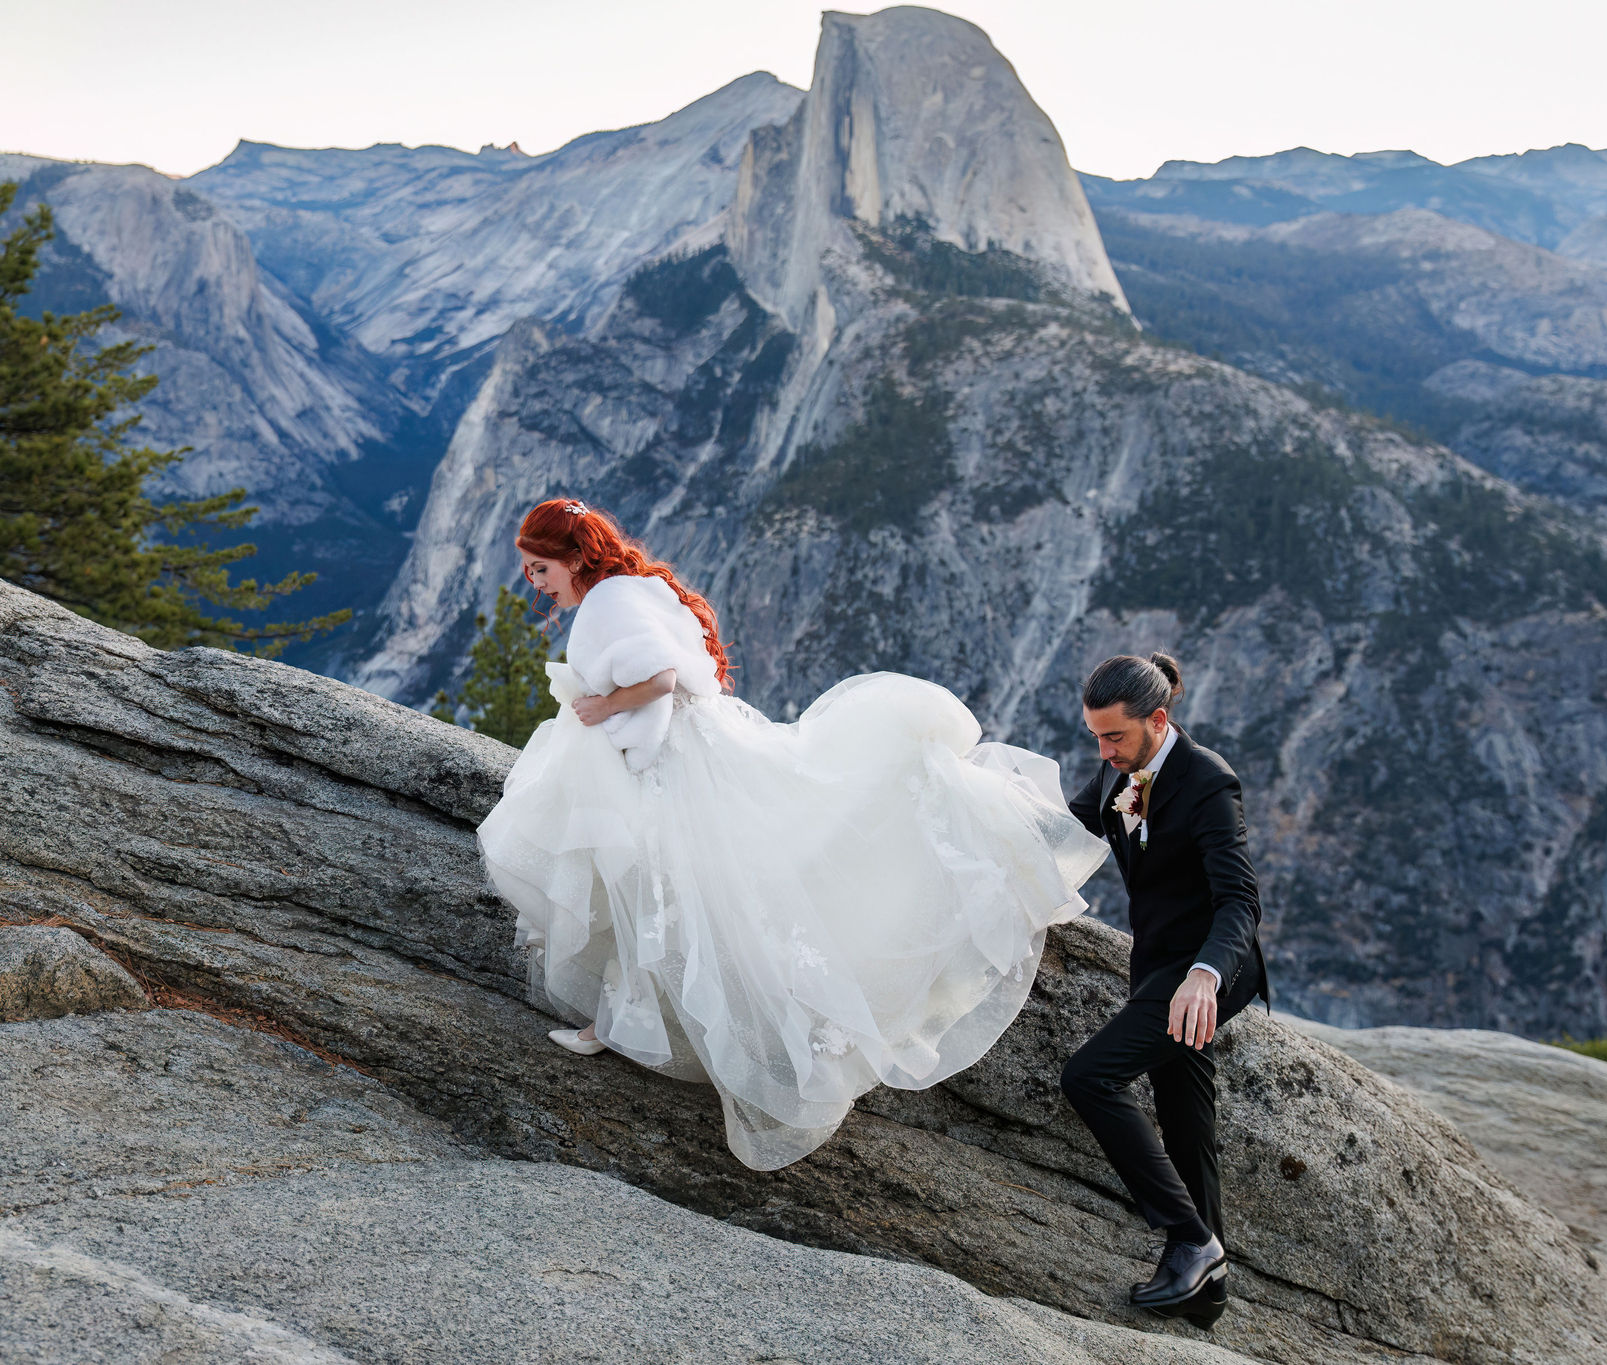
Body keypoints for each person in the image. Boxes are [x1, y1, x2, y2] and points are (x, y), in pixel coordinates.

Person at [475, 497, 1107, 1170]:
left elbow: (659, 676)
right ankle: (616, 1019)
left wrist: (602, 702)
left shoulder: (606, 602)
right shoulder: (630, 586)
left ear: (575, 559)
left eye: (540, 568)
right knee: (665, 887)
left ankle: (660, 1023)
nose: (534, 582)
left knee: (677, 886)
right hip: (690, 748)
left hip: (681, 763)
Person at [1060, 652, 1268, 1330]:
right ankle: (1205, 1291)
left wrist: (1205, 976)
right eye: (1095, 736)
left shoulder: (1209, 783)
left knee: (1089, 1077)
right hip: (1156, 964)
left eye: (1114, 736)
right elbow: (1082, 820)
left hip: (1208, 969)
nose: (1103, 750)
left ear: (1158, 718)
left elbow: (1240, 900)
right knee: (1184, 1114)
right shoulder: (1118, 766)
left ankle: (1190, 1239)